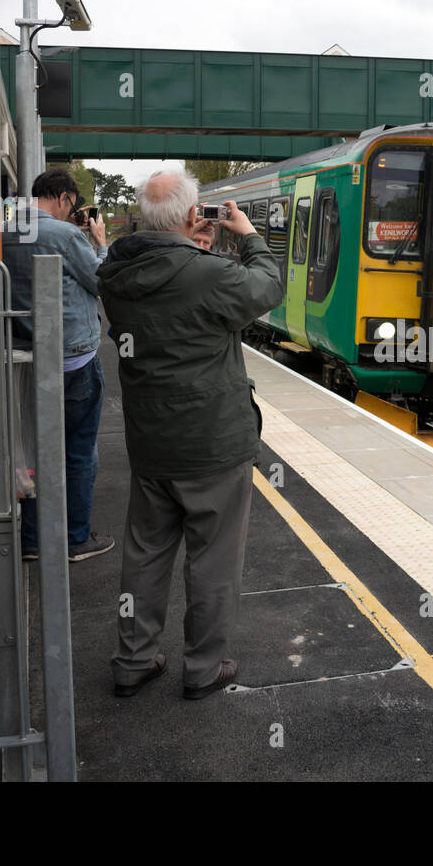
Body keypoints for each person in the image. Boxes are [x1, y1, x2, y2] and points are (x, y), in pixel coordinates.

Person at [98, 170, 284, 699]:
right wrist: (247, 236)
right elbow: (268, 287)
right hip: (212, 444)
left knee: (145, 554)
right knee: (213, 562)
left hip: (151, 442)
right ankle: (203, 668)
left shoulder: (116, 275)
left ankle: (133, 659)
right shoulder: (206, 273)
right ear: (188, 216)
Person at [3, 168, 115, 563]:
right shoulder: (66, 236)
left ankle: (32, 540)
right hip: (72, 361)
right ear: (65, 198)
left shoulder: (3, 232)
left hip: (23, 360)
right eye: (73, 205)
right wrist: (99, 243)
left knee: (35, 450)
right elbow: (103, 282)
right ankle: (74, 538)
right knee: (78, 451)